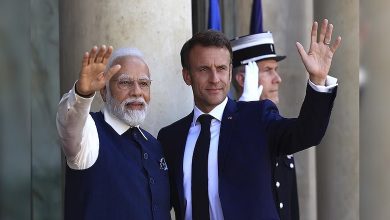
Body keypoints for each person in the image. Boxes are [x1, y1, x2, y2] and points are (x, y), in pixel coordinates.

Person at [158, 19, 341, 220]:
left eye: (221, 68)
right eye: (203, 69)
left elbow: (307, 133)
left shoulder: (256, 118)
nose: (214, 79)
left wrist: (317, 80)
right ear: (187, 76)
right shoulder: (170, 138)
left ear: (230, 73)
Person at [56, 45, 171, 220]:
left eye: (144, 83)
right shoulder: (89, 131)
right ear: (104, 91)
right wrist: (82, 94)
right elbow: (69, 124)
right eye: (125, 83)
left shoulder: (153, 144)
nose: (137, 92)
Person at [231, 32, 301, 220]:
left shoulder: (276, 124)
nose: (277, 78)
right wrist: (247, 110)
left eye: (276, 70)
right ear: (243, 79)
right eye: (268, 70)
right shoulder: (228, 130)